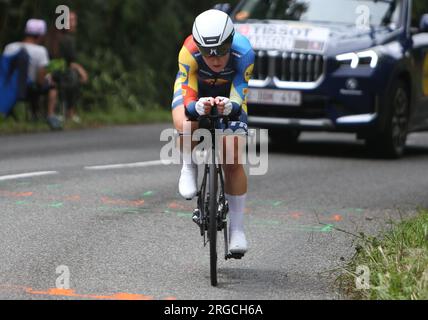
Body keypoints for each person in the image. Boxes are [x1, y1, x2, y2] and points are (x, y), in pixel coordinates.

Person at [172, 9, 255, 254]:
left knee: (232, 155)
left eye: (221, 50)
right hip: (197, 91)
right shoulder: (188, 51)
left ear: (230, 42)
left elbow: (240, 93)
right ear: (198, 46)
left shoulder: (244, 52)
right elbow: (187, 93)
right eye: (208, 52)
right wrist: (195, 107)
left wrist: (231, 106)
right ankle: (188, 165)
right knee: (186, 125)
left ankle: (237, 229)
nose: (215, 58)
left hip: (230, 94)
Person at [3, 19, 62, 129]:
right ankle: (50, 115)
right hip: (28, 89)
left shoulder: (10, 47)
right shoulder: (40, 51)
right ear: (40, 36)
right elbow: (40, 79)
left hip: (9, 87)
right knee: (52, 86)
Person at [45, 10, 88, 124]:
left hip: (47, 72)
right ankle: (70, 112)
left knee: (69, 76)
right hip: (53, 73)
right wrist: (80, 70)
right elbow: (69, 63)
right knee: (73, 77)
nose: (74, 23)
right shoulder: (66, 40)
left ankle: (64, 112)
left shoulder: (50, 36)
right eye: (71, 20)